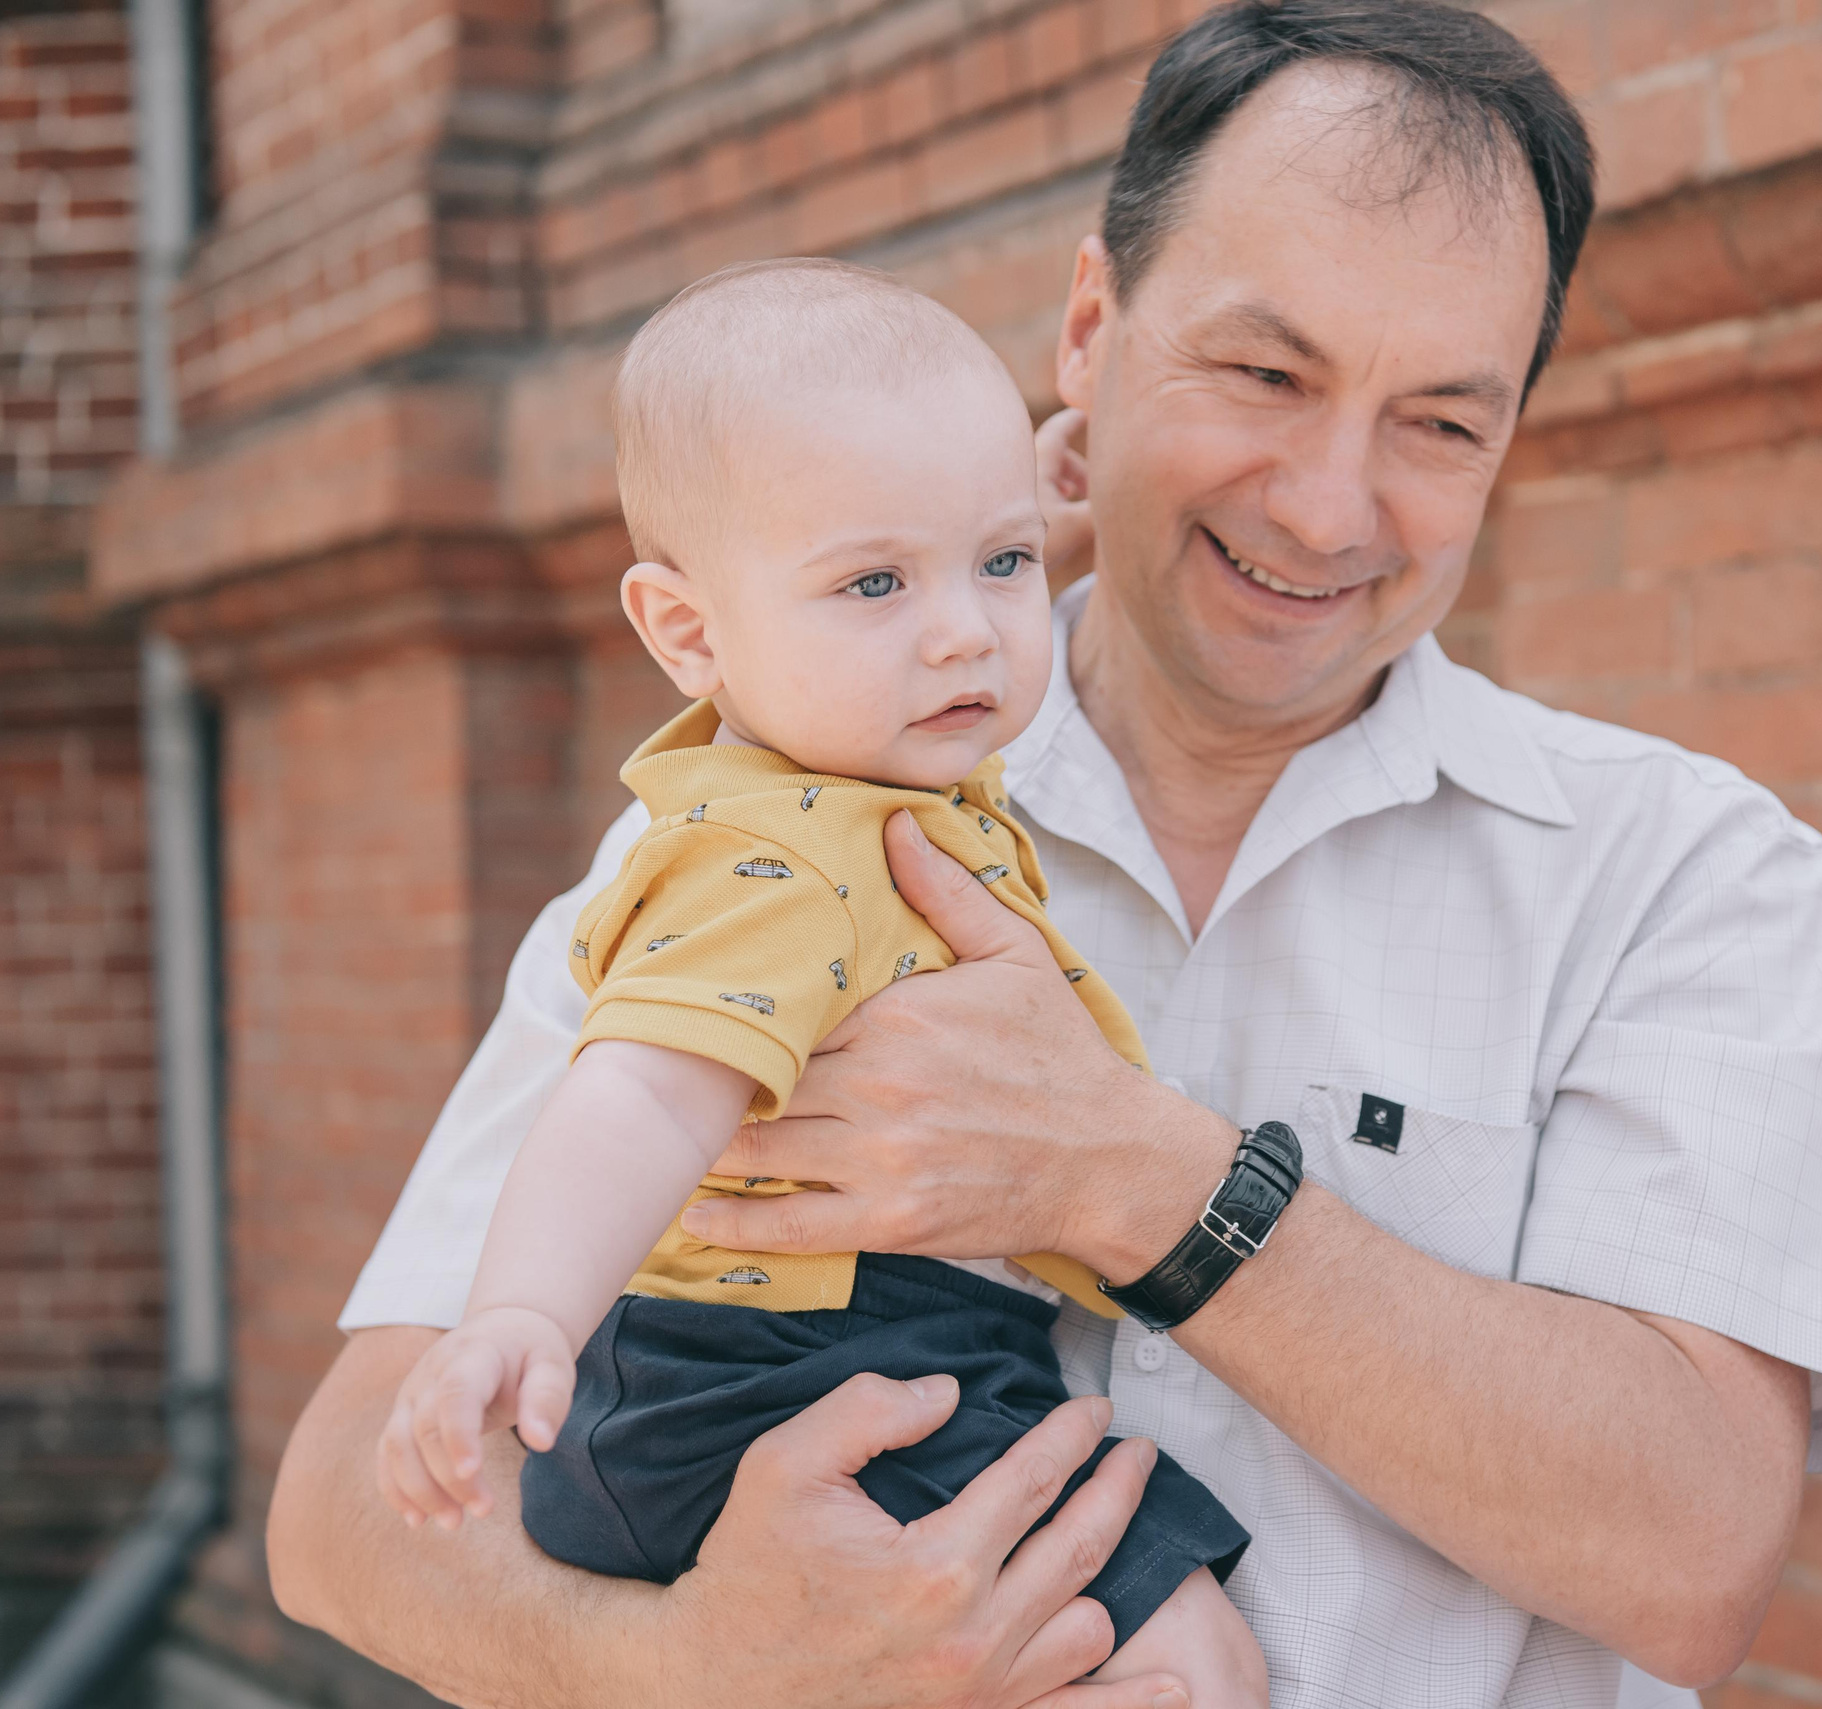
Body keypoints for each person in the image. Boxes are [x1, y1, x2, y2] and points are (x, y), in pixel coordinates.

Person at [266, 5, 1822, 1706]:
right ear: (1093, 332)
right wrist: (687, 1664)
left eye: (1441, 424)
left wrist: (1137, 1180)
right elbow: (339, 1509)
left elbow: (1698, 1554)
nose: (1331, 507)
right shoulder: (749, 832)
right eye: (1267, 374)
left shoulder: (1686, 873)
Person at [372, 258, 1261, 1701]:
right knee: (1185, 1664)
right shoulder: (771, 852)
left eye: (1004, 560)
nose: (966, 627)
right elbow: (644, 1096)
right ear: (689, 632)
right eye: (873, 581)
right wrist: (523, 1314)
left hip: (852, 1351)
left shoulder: (889, 802)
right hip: (783, 1365)